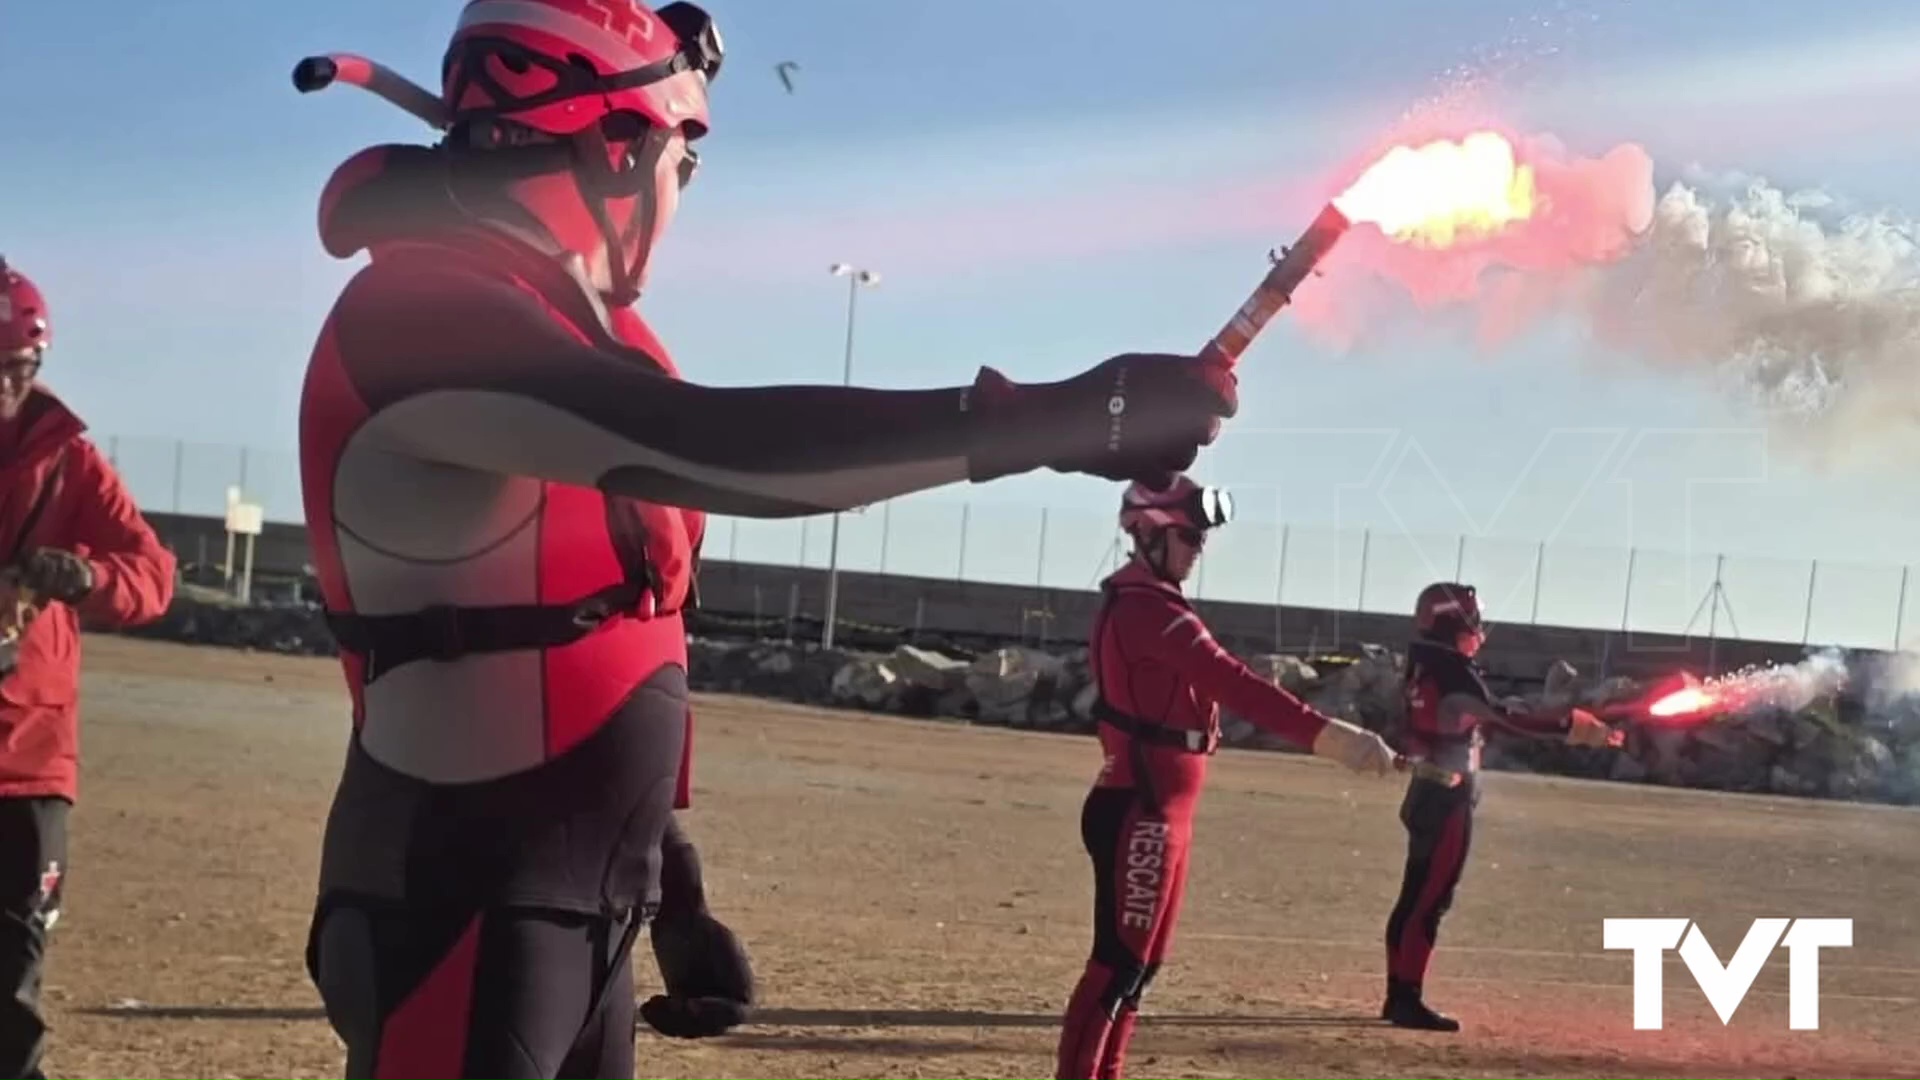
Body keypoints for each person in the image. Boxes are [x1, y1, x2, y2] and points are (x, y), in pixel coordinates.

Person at [293, 3, 1238, 1077]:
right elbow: (721, 449)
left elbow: (600, 633)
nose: (679, 195)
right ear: (618, 147)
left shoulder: (559, 335)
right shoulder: (416, 315)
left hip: (566, 909)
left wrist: (669, 887)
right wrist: (1056, 421)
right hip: (454, 905)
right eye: (682, 163)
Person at [1055, 475, 1398, 1080]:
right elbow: (1236, 684)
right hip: (1142, 807)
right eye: (1190, 536)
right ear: (1150, 533)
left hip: (1161, 810)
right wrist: (1334, 739)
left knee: (1139, 970)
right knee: (1116, 966)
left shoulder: (1154, 603)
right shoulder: (1147, 610)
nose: (1200, 548)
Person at [0, 255, 178, 1080]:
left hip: (27, 761)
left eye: (22, 366)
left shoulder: (67, 461)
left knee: (11, 986)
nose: (9, 385)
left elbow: (153, 575)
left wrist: (85, 578)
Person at [1380, 581, 1619, 1032]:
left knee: (1415, 898)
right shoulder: (1451, 669)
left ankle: (1399, 993)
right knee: (1429, 900)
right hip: (1447, 797)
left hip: (1426, 790)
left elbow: (1472, 715)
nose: (1478, 630)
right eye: (1472, 620)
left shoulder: (1425, 663)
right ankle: (1406, 997)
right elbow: (1507, 719)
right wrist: (1573, 727)